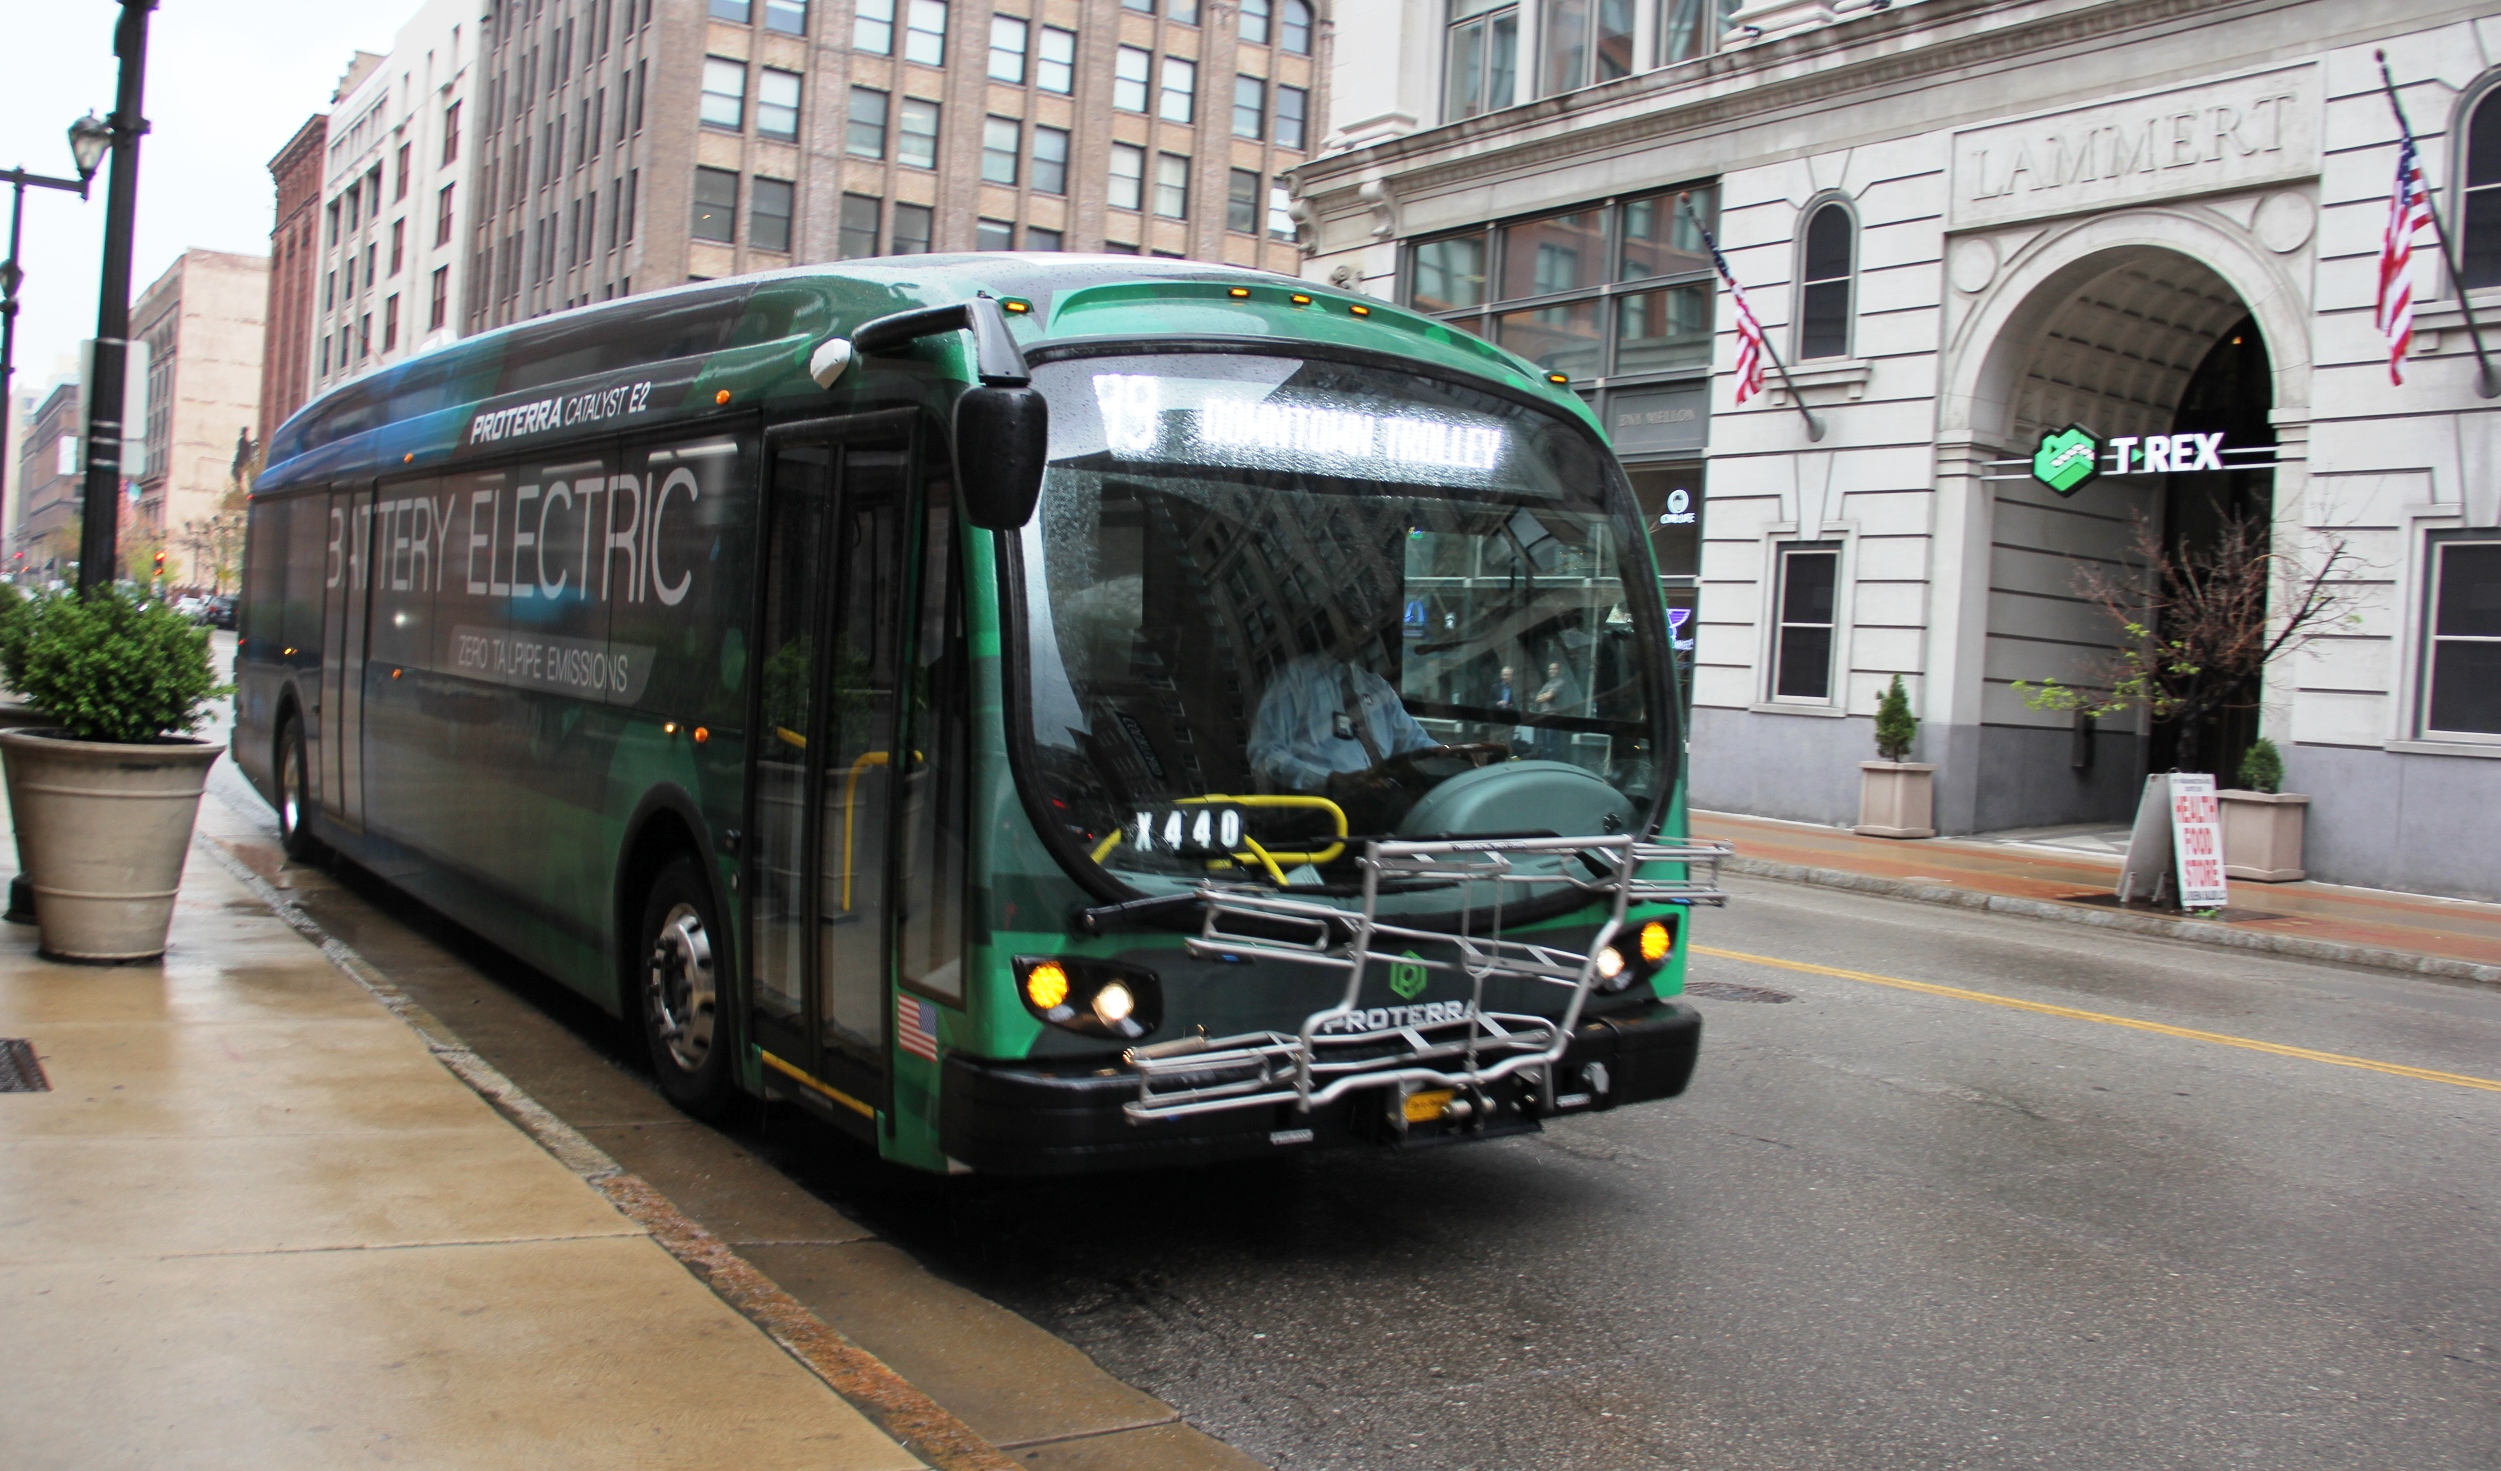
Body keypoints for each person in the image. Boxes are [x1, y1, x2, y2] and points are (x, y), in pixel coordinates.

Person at [1247, 650, 1439, 794]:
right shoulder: (1295, 679)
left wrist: (1446, 754)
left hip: (1387, 801)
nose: (1362, 629)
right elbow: (1264, 753)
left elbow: (1414, 742)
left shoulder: (1375, 685)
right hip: (1328, 813)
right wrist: (1330, 780)